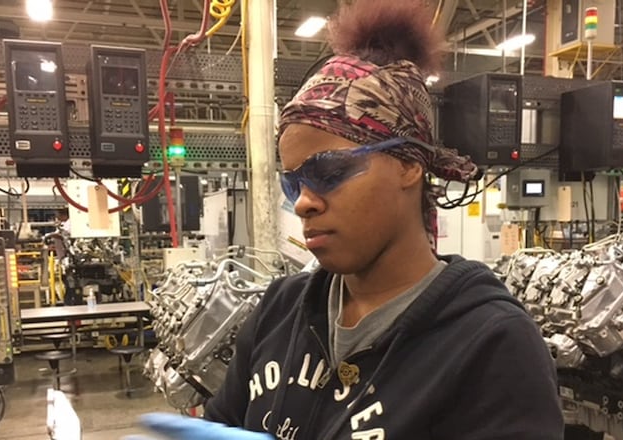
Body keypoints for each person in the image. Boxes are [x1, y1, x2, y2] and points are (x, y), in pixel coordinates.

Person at [132, 0, 564, 438]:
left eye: (328, 171)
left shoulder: (490, 344)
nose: (303, 203)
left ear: (408, 164)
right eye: (294, 182)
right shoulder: (281, 309)